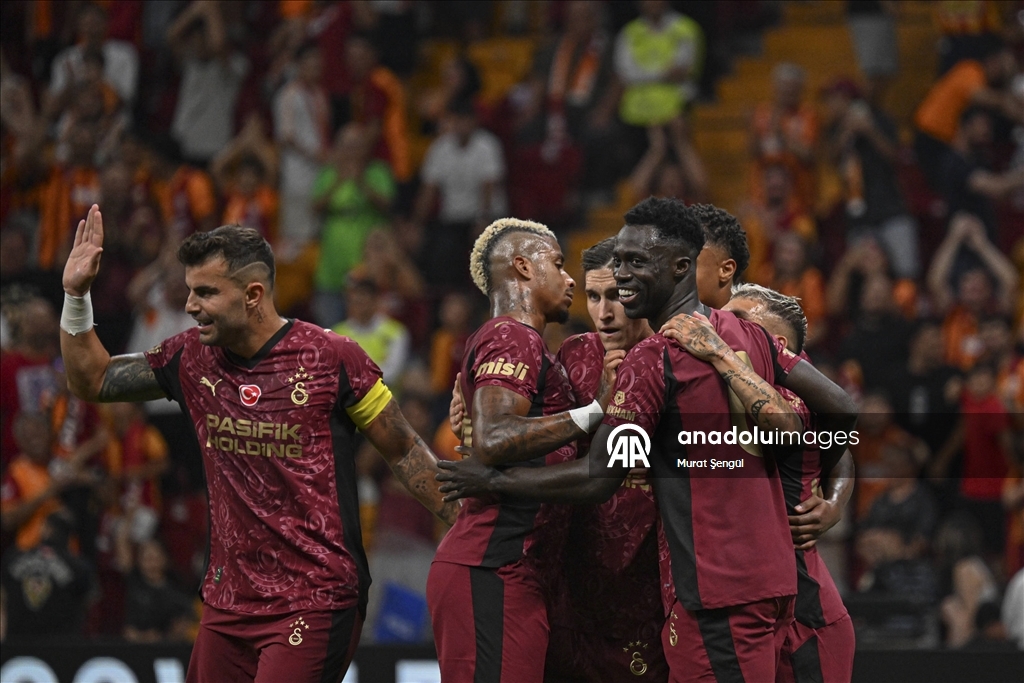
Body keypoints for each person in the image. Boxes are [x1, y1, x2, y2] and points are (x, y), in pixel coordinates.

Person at [439, 198, 858, 682]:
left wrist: (494, 480)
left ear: (681, 267)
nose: (621, 277)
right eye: (616, 264)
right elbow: (841, 410)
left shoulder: (652, 359)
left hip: (713, 592)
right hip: (772, 586)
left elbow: (599, 476)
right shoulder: (748, 336)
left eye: (635, 262)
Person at [59, 205, 457, 682]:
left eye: (206, 292)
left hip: (315, 597)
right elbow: (93, 379)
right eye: (190, 291)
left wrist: (468, 524)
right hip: (228, 602)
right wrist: (76, 295)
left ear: (253, 294)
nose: (190, 306)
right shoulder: (190, 357)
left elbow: (404, 449)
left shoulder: (333, 359)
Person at [427, 218, 619, 682]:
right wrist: (595, 412)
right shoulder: (512, 335)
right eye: (557, 263)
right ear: (524, 267)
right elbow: (495, 437)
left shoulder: (525, 343)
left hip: (517, 570)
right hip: (493, 566)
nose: (569, 279)